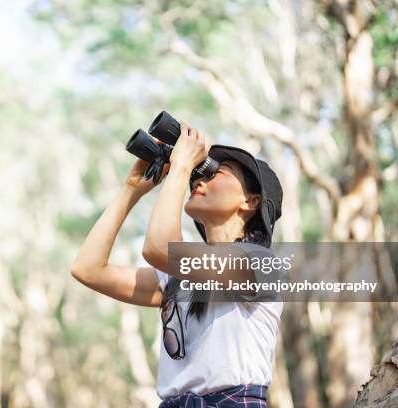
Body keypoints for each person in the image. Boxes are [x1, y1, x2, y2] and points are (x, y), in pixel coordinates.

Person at [71, 122, 284, 407]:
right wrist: (131, 189)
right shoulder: (179, 279)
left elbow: (159, 249)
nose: (198, 180)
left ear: (250, 201)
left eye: (215, 173)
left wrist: (182, 167)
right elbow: (88, 268)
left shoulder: (261, 265)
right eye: (198, 174)